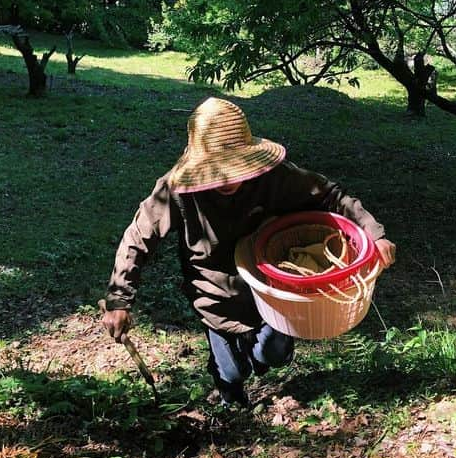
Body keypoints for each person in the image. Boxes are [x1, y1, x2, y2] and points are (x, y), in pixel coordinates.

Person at [101, 96, 396, 408]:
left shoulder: (275, 176)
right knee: (232, 371)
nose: (228, 180)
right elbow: (138, 238)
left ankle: (257, 359)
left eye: (236, 168)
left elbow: (329, 194)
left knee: (273, 354)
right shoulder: (176, 191)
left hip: (272, 290)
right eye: (217, 171)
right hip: (214, 297)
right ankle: (232, 397)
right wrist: (119, 300)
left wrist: (373, 233)